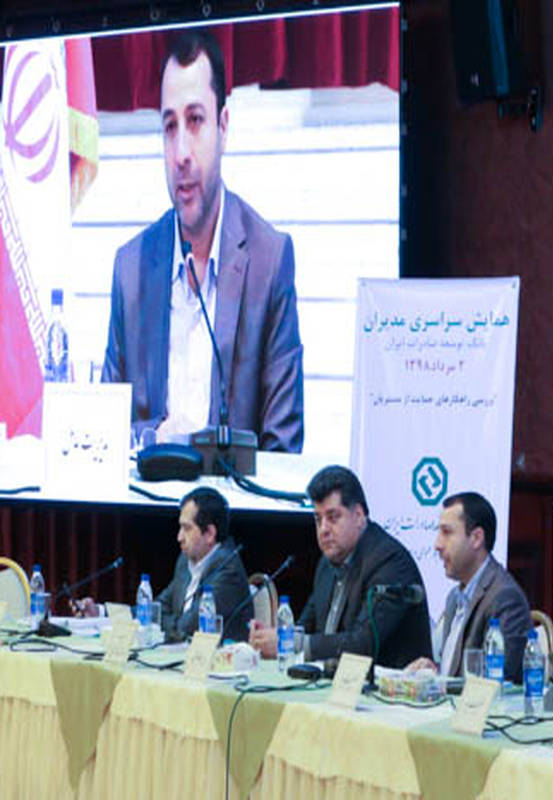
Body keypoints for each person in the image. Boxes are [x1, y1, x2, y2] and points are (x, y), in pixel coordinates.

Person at [101, 29, 303, 452]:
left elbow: (283, 447)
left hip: (233, 498)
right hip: (145, 496)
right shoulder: (130, 268)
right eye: (169, 126)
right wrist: (157, 439)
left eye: (195, 121)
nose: (181, 153)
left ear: (223, 127)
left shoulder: (269, 260)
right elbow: (104, 438)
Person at [248, 466, 431, 667]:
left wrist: (295, 643)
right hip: (336, 681)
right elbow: (307, 626)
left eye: (333, 517)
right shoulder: (326, 565)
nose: (323, 529)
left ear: (359, 516)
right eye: (318, 519)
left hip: (392, 684)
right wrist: (274, 637)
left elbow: (363, 643)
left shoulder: (390, 562)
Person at [73, 486, 252, 642]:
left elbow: (184, 630)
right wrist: (100, 613)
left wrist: (163, 620)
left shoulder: (229, 572)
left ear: (210, 534)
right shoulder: (186, 561)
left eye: (187, 528)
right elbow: (154, 609)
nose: (179, 537)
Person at [405, 492, 532, 682]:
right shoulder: (454, 597)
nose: (437, 544)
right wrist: (434, 672)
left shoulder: (504, 598)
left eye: (447, 532)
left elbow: (495, 683)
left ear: (476, 538)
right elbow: (455, 674)